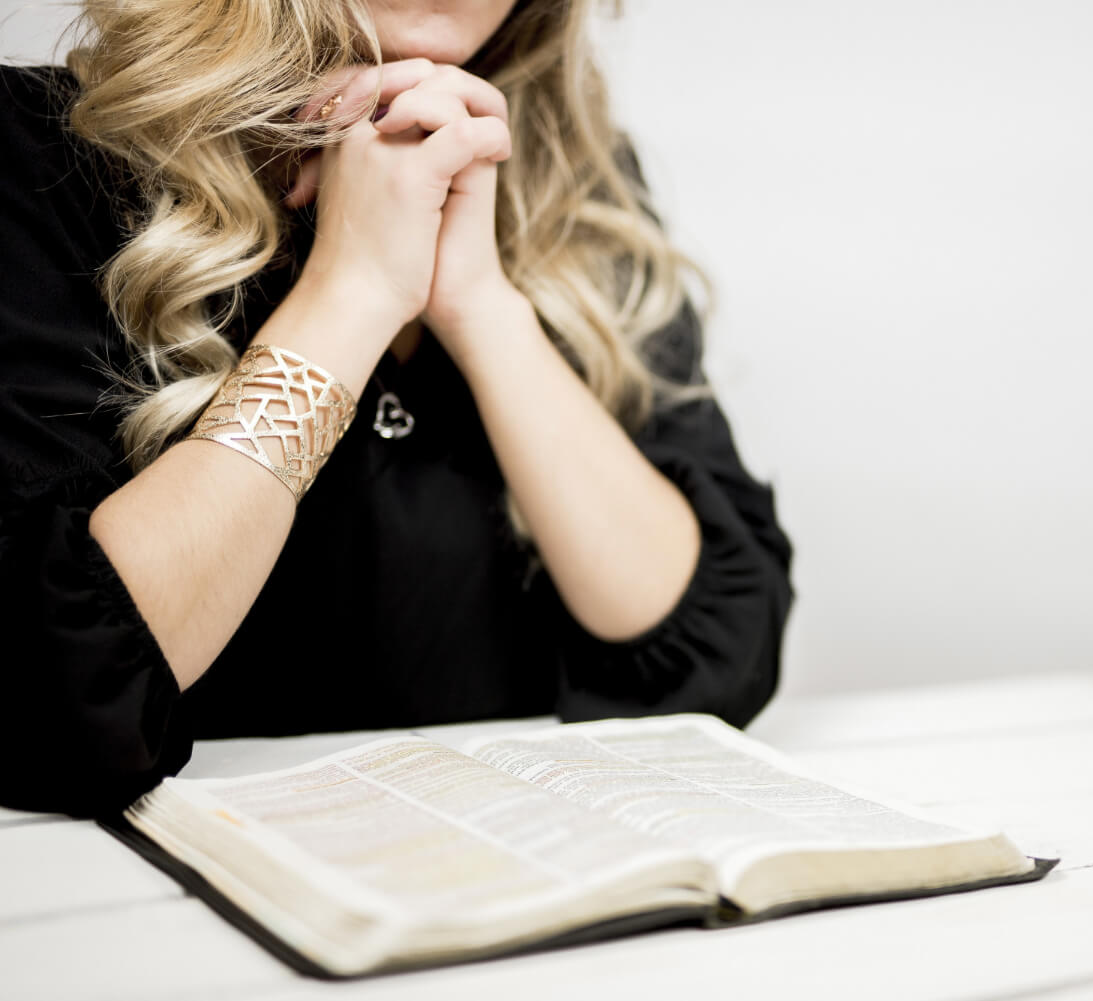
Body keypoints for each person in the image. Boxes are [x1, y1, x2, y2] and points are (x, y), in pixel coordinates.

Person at [0, 0, 793, 818]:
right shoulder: (39, 152)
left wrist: (482, 307)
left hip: (521, 903)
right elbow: (48, 707)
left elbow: (716, 662)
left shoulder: (576, 185)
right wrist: (354, 294)